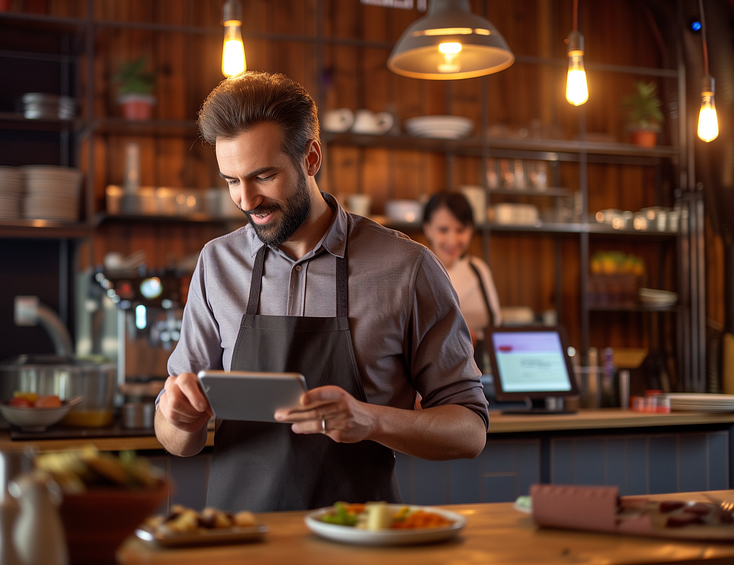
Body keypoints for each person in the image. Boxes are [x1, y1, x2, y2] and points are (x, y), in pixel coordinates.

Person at [155, 71, 488, 513]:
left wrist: (370, 420)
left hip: (359, 542)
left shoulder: (407, 268)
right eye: (232, 181)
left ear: (310, 157)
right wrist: (179, 419)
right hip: (240, 542)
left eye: (263, 176)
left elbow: (469, 431)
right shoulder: (217, 264)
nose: (246, 200)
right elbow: (177, 440)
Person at [421, 192, 503, 353]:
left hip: (477, 366)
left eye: (460, 230)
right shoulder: (416, 272)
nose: (452, 240)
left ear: (471, 230)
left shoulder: (478, 269)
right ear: (427, 229)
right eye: (443, 230)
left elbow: (496, 326)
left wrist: (476, 337)